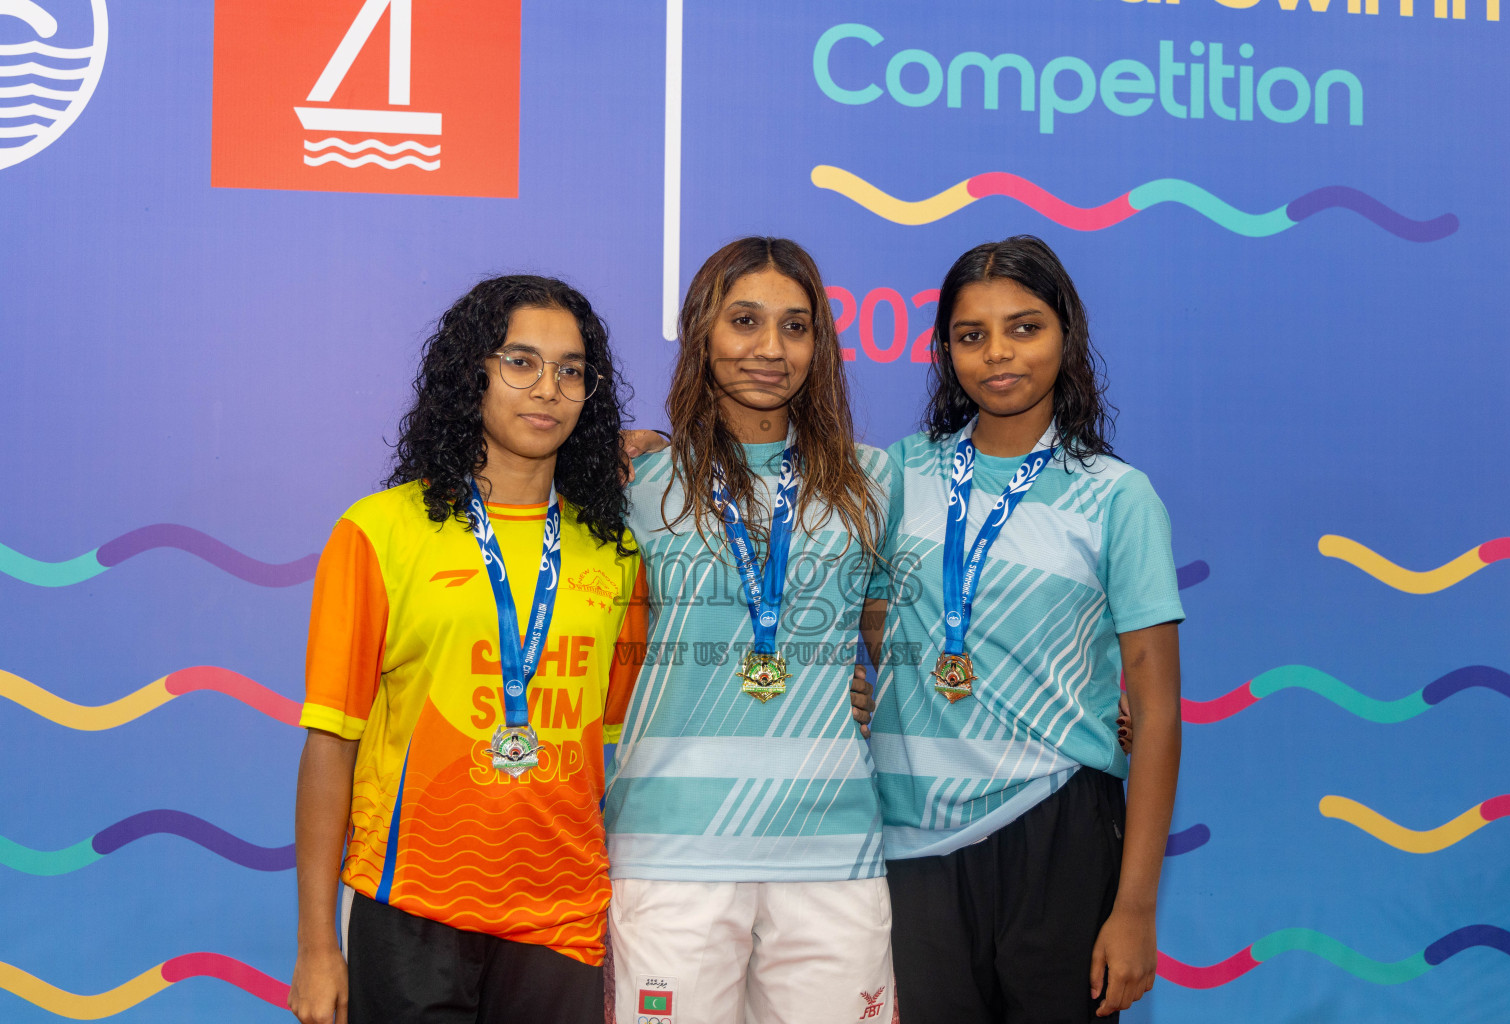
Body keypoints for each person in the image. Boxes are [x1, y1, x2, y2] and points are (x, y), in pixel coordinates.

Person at [288, 275, 647, 1024]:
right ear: (471, 374)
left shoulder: (616, 551)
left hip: (562, 914)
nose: (548, 388)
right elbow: (331, 745)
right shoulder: (379, 533)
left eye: (571, 370)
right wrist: (317, 943)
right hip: (412, 902)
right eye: (521, 362)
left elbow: (630, 739)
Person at [860, 235, 1183, 1022]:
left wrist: (1135, 909)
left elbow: (1162, 709)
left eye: (1025, 327)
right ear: (944, 350)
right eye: (971, 335)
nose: (998, 353)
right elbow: (869, 604)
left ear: (1065, 333)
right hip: (914, 840)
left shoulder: (1117, 495)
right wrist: (890, 674)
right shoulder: (899, 473)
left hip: (1060, 824)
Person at [604, 237, 896, 1024]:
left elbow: (912, 640)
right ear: (702, 331)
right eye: (744, 321)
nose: (770, 349)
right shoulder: (637, 482)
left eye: (795, 327)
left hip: (832, 850)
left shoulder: (872, 483)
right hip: (673, 850)